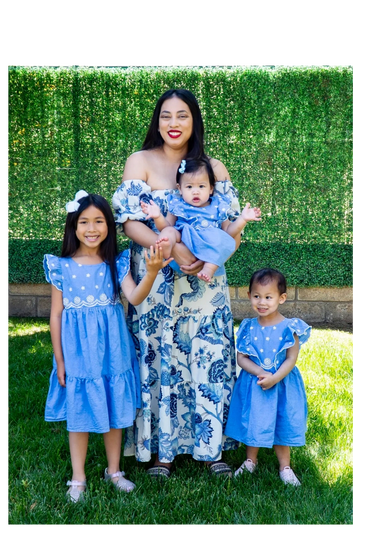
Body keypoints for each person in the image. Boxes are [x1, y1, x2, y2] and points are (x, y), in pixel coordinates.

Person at [112, 88, 241, 478]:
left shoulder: (213, 168)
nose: (173, 124)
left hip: (206, 281)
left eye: (182, 115)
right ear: (157, 121)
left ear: (194, 120)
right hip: (156, 279)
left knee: (207, 354)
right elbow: (129, 221)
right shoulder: (140, 161)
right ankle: (160, 452)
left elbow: (232, 229)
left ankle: (211, 447)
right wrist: (173, 250)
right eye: (166, 116)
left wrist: (209, 258)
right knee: (159, 354)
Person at [43, 190, 172, 502]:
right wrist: (59, 360)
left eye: (99, 221)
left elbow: (135, 297)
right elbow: (56, 315)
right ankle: (78, 477)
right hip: (77, 354)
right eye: (84, 221)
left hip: (112, 351)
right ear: (73, 227)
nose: (91, 228)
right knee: (80, 411)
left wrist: (152, 270)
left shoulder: (116, 262)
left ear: (109, 226)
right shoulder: (61, 266)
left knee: (114, 408)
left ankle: (114, 470)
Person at [224, 268, 312, 486]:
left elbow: (291, 359)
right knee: (254, 420)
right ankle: (250, 461)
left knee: (282, 423)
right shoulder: (248, 327)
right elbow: (241, 358)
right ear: (249, 295)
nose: (261, 302)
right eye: (256, 296)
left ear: (281, 298)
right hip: (256, 385)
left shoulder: (289, 327)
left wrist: (275, 377)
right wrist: (260, 372)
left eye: (268, 297)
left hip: (282, 385)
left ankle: (285, 466)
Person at [140, 156, 262, 282]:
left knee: (222, 239)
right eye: (189, 187)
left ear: (211, 188)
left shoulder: (219, 206)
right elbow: (166, 226)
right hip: (183, 246)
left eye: (201, 186)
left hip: (208, 248)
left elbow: (228, 233)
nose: (195, 192)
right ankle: (166, 247)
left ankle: (208, 269)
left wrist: (243, 219)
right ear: (179, 189)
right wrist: (158, 216)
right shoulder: (178, 204)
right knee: (169, 232)